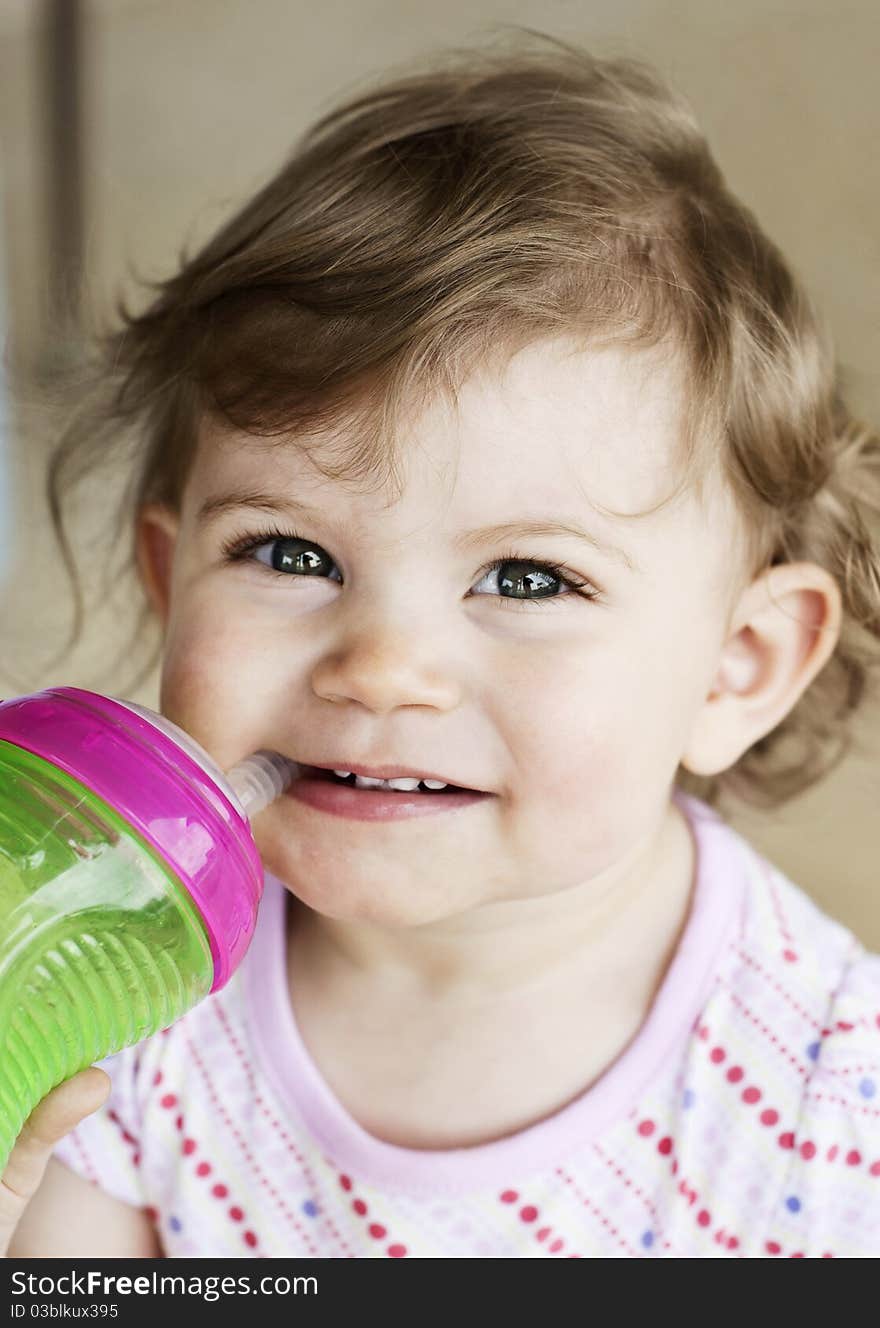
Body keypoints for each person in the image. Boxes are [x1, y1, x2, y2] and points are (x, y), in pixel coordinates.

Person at [5, 30, 880, 1259]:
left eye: (527, 576)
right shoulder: (119, 974)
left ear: (735, 668)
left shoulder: (827, 1096)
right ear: (169, 578)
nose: (380, 665)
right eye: (287, 554)